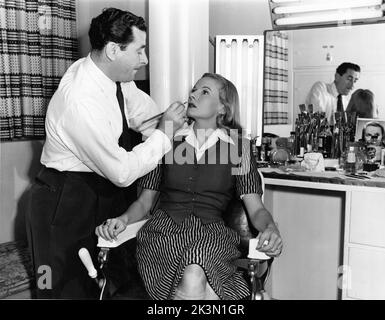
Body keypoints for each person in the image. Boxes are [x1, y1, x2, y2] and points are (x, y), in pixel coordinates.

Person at [26, 8, 187, 299]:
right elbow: (123, 172)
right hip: (63, 203)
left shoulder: (114, 77)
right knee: (56, 289)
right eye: (139, 51)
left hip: (102, 196)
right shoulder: (80, 100)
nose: (145, 60)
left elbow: (145, 116)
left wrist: (182, 134)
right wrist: (166, 133)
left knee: (112, 285)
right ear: (114, 49)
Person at [96, 73, 283, 300]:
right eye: (194, 90)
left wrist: (271, 228)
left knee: (197, 265)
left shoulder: (238, 148)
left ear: (223, 108)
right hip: (163, 236)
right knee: (202, 281)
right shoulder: (165, 140)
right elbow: (144, 202)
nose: (193, 94)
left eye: (205, 92)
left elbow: (256, 209)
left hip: (211, 236)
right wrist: (123, 220)